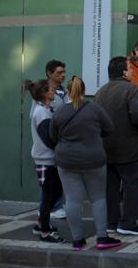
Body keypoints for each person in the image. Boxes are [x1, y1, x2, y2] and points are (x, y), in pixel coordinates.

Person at [50, 77, 121, 250]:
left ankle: (77, 240)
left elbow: (52, 136)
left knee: (73, 200)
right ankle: (102, 238)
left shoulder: (60, 112)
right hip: (94, 159)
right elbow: (109, 128)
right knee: (98, 198)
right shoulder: (95, 109)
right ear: (84, 90)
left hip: (66, 161)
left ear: (68, 91)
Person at [95, 56, 138, 236]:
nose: (132, 71)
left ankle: (111, 222)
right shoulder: (132, 90)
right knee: (133, 184)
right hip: (130, 147)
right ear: (124, 72)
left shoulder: (100, 92)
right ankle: (128, 222)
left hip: (106, 148)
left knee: (111, 186)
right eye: (130, 69)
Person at [24, 79, 64, 243]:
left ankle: (41, 224)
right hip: (45, 160)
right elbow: (49, 139)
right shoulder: (41, 112)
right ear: (44, 94)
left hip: (48, 160)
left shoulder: (45, 109)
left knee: (53, 193)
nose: (54, 92)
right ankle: (45, 232)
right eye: (51, 90)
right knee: (49, 195)